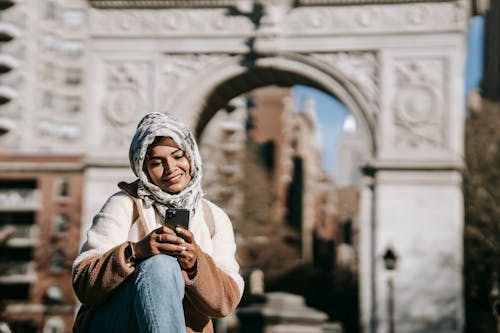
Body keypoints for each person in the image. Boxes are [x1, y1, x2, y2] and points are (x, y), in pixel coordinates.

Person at [72, 112, 244, 333]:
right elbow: (84, 284)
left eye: (178, 156)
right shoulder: (124, 204)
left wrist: (194, 264)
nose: (171, 168)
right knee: (161, 264)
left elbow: (225, 303)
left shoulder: (214, 217)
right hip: (116, 322)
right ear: (143, 169)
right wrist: (136, 251)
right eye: (157, 162)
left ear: (191, 156)